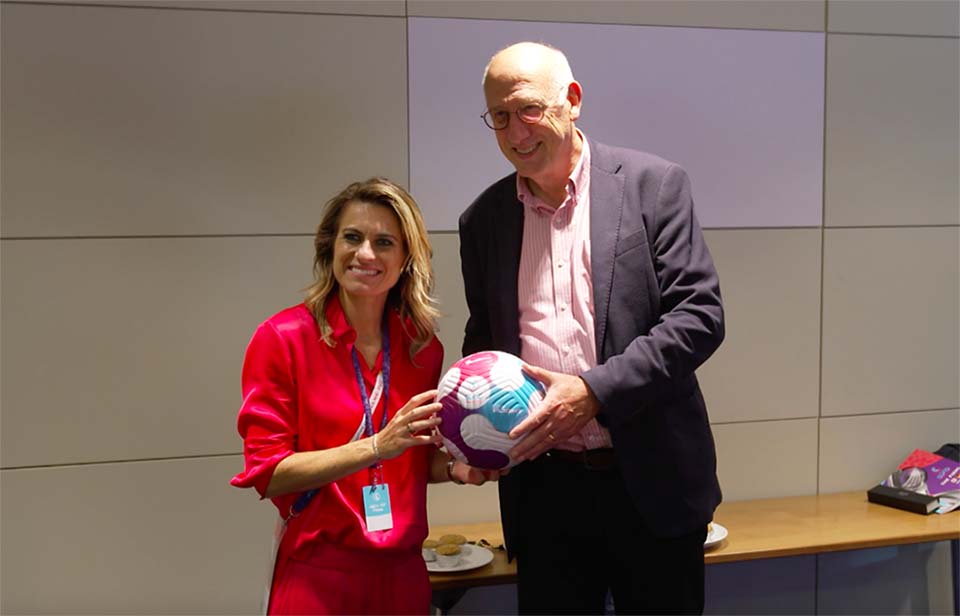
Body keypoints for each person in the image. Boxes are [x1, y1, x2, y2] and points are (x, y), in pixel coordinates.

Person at [459, 42, 725, 614]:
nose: (514, 130)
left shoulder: (653, 186)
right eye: (498, 116)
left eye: (527, 108)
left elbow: (699, 316)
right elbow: (484, 344)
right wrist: (470, 432)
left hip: (650, 485)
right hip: (543, 494)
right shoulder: (483, 220)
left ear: (572, 100)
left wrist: (590, 392)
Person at [231, 177, 496, 615]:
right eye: (352, 237)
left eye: (384, 241)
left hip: (404, 576)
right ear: (329, 248)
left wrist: (456, 468)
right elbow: (268, 473)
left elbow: (408, 459)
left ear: (406, 258)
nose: (365, 253)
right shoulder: (282, 338)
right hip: (319, 576)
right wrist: (377, 445)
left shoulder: (421, 347)